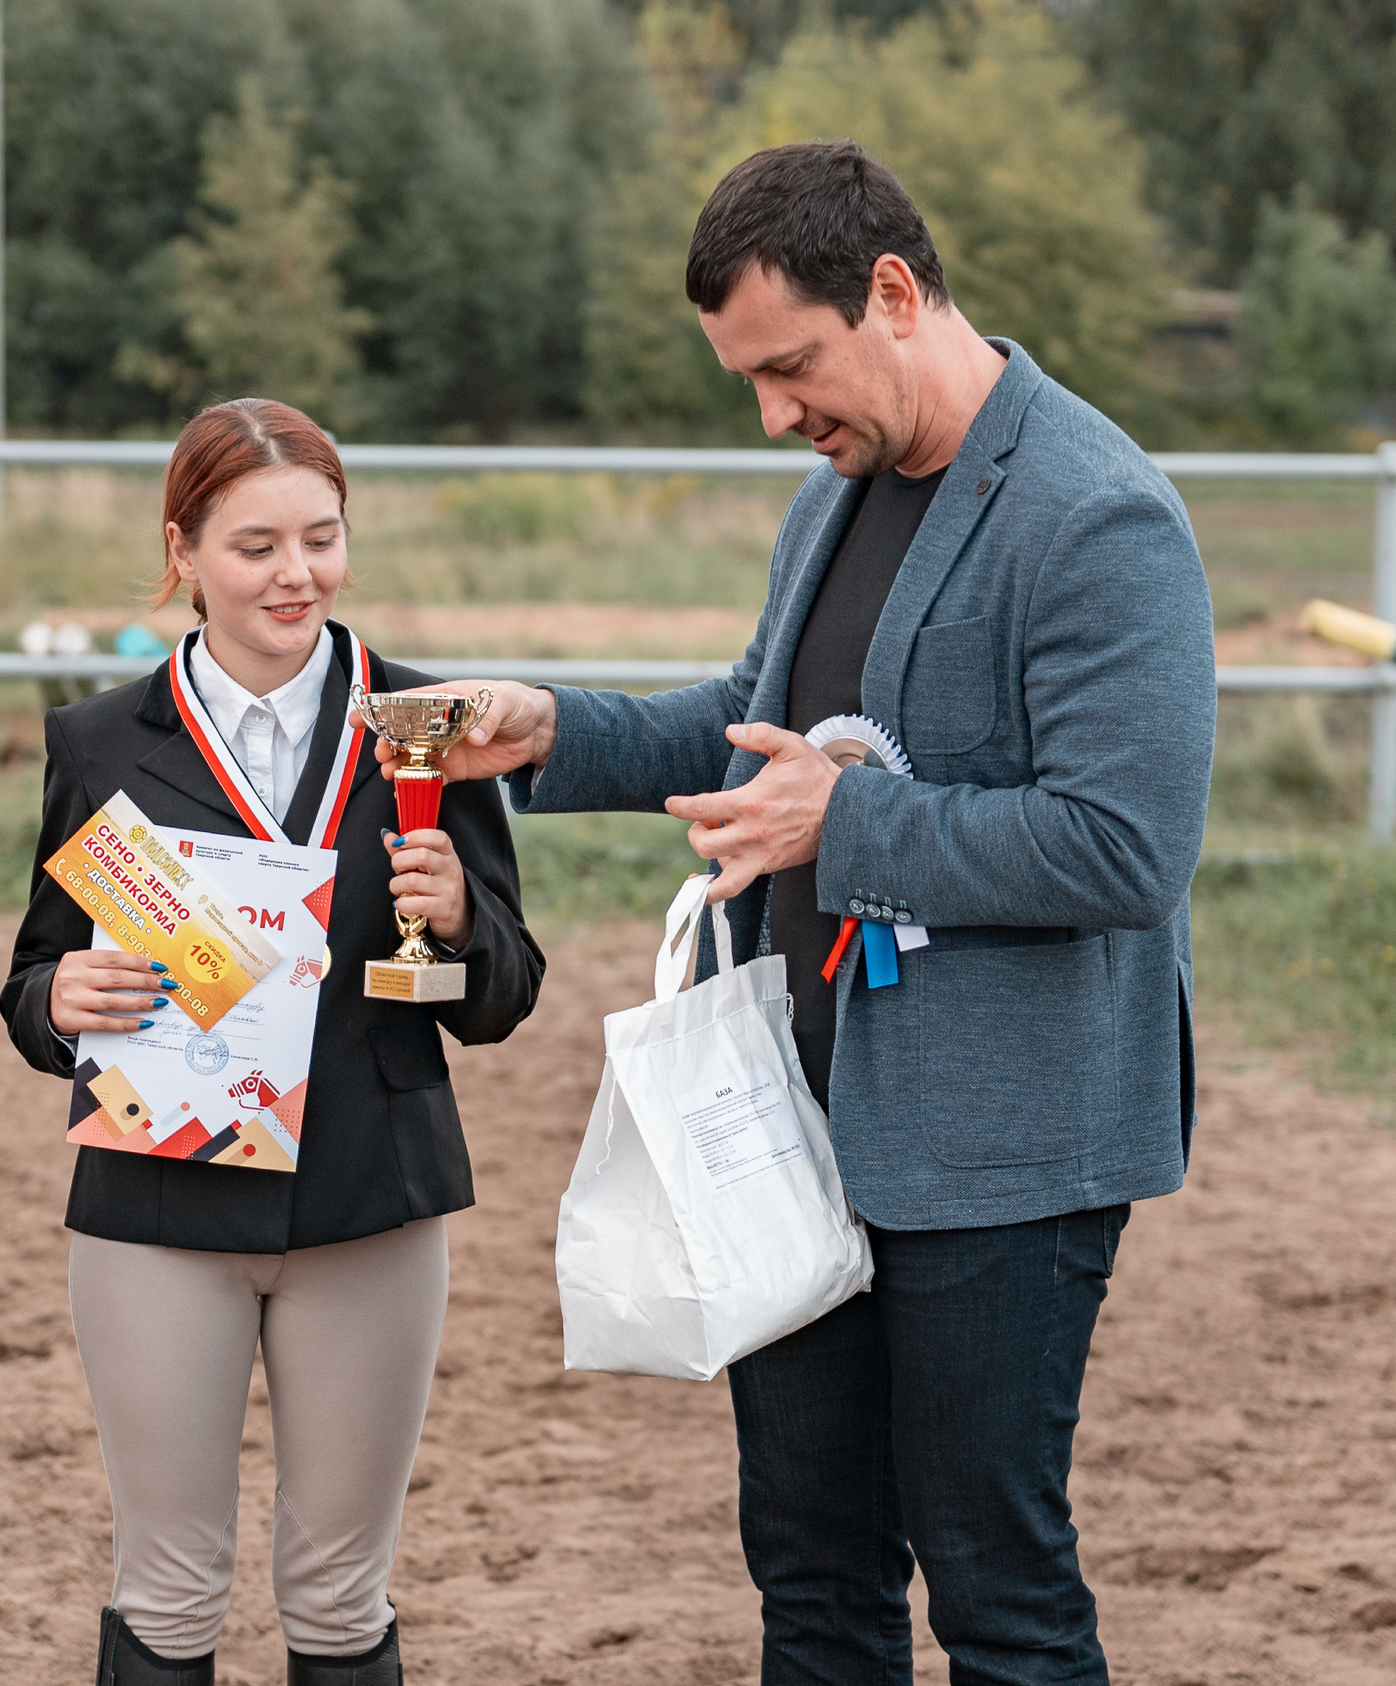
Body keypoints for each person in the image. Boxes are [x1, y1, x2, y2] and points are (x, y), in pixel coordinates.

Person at [374, 142, 1216, 1683]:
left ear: (893, 292)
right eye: (749, 380)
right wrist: (554, 725)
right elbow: (762, 727)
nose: (774, 413)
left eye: (790, 367)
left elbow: (1125, 848)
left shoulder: (1101, 515)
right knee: (812, 1575)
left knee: (995, 1585)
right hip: (799, 1117)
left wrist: (858, 819)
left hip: (1002, 1150)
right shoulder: (835, 495)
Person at [0, 399, 545, 1686]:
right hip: (155, 1207)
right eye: (256, 545)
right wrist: (58, 1000)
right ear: (182, 548)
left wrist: (462, 921)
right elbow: (33, 980)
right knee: (169, 1590)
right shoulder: (96, 742)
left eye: (322, 536)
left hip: (371, 1202)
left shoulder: (432, 723)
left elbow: (503, 993)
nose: (296, 574)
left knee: (341, 1596)